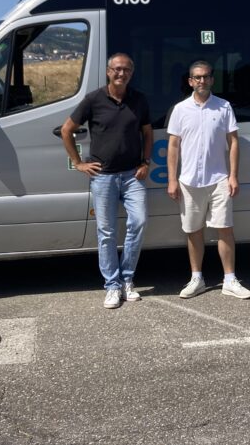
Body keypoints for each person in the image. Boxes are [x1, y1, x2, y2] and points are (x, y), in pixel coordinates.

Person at [61, 53, 152, 310]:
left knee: (139, 221)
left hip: (132, 175)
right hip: (103, 177)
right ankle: (112, 285)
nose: (121, 73)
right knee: (107, 232)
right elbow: (66, 130)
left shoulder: (139, 100)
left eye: (126, 70)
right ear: (108, 71)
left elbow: (147, 133)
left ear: (131, 73)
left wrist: (145, 162)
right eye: (117, 69)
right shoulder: (94, 99)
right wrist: (78, 163)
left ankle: (126, 279)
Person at [166, 60, 250, 300]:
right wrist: (172, 179)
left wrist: (233, 176)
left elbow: (233, 142)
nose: (202, 81)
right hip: (189, 181)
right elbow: (173, 146)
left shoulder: (223, 107)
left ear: (212, 80)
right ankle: (197, 279)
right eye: (197, 77)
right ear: (190, 81)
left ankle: (230, 280)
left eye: (205, 76)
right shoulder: (180, 109)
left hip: (219, 179)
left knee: (225, 229)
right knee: (193, 231)